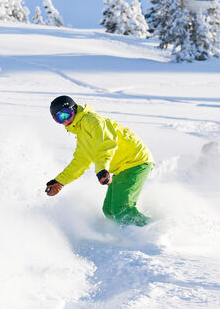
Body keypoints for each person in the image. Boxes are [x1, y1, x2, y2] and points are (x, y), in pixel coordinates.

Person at [45, 95, 154, 226]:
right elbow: (80, 162)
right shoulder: (81, 134)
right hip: (122, 168)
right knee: (109, 210)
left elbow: (106, 143)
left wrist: (102, 168)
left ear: (73, 109)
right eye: (59, 118)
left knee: (121, 210)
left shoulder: (92, 121)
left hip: (135, 161)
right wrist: (60, 181)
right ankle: (128, 235)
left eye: (66, 114)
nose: (65, 120)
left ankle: (154, 231)